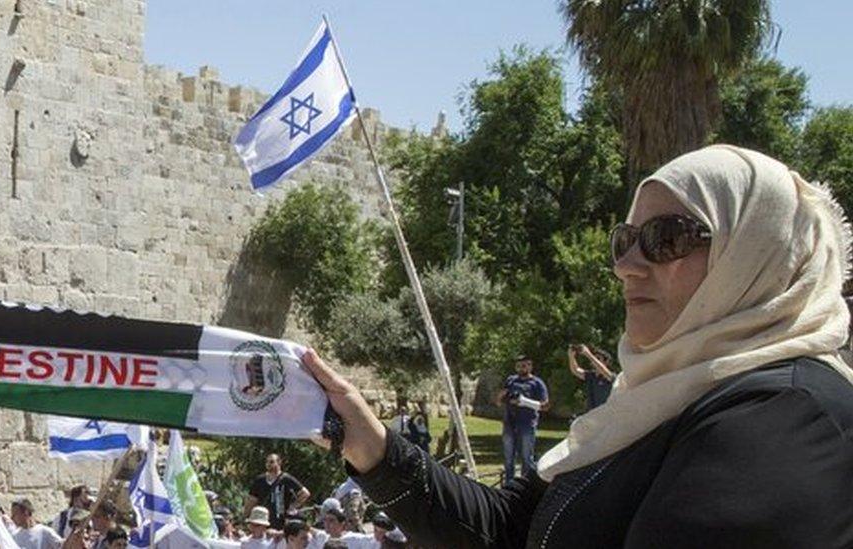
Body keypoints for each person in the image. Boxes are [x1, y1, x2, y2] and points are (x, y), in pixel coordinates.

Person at [301, 145, 853, 547]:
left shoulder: (783, 418)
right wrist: (370, 444)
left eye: (667, 239)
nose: (626, 266)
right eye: (626, 240)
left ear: (756, 255)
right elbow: (505, 530)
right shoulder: (655, 398)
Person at [493, 356, 549, 484]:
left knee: (526, 457)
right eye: (518, 366)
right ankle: (508, 484)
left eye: (524, 366)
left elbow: (545, 406)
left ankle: (525, 486)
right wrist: (503, 396)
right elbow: (499, 401)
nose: (521, 369)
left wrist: (525, 402)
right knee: (508, 458)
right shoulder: (511, 380)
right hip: (509, 422)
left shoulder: (537, 383)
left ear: (530, 366)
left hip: (527, 424)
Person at [244, 454, 310, 530]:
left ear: (279, 463)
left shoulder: (286, 479)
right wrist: (247, 517)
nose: (268, 464)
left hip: (281, 522)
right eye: (267, 462)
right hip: (262, 521)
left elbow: (305, 493)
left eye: (271, 462)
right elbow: (252, 500)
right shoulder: (260, 480)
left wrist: (293, 506)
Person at [567, 344, 616, 410]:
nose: (594, 361)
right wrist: (571, 356)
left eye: (598, 358)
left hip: (607, 414)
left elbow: (605, 372)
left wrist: (588, 354)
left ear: (606, 362)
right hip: (592, 414)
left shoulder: (611, 376)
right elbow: (575, 370)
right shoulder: (591, 375)